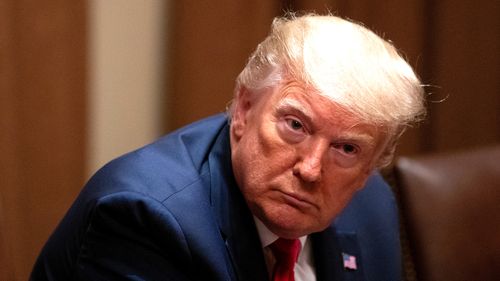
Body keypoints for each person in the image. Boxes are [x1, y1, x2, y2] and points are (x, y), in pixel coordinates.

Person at [31, 14, 425, 281]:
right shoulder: (143, 219)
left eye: (347, 149)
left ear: (371, 165)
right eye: (294, 125)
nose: (310, 168)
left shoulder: (373, 207)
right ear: (244, 108)